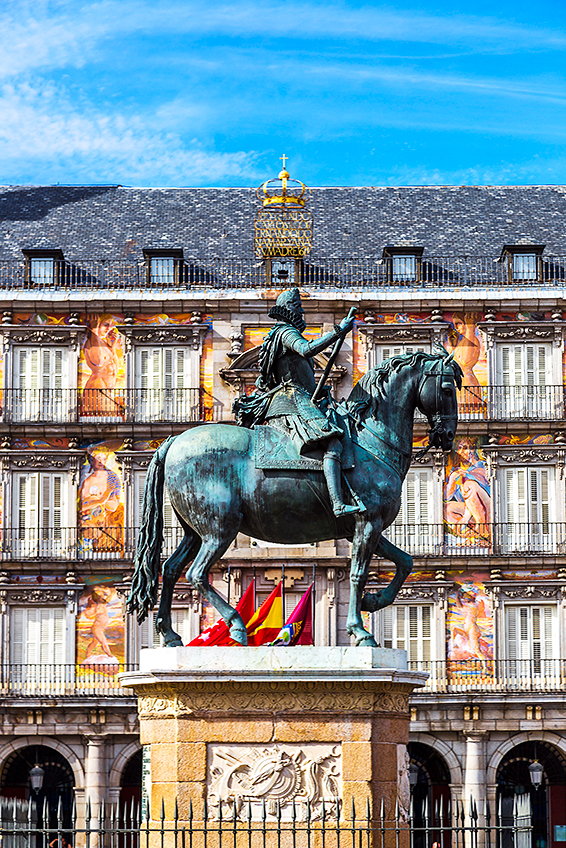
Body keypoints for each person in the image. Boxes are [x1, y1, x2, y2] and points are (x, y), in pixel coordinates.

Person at [234, 288, 360, 517]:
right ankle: (338, 503)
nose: (301, 312)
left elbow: (295, 374)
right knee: (333, 443)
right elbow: (307, 349)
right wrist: (339, 330)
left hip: (294, 397)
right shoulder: (285, 333)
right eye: (297, 307)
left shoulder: (277, 335)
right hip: (292, 402)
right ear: (288, 310)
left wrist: (317, 389)